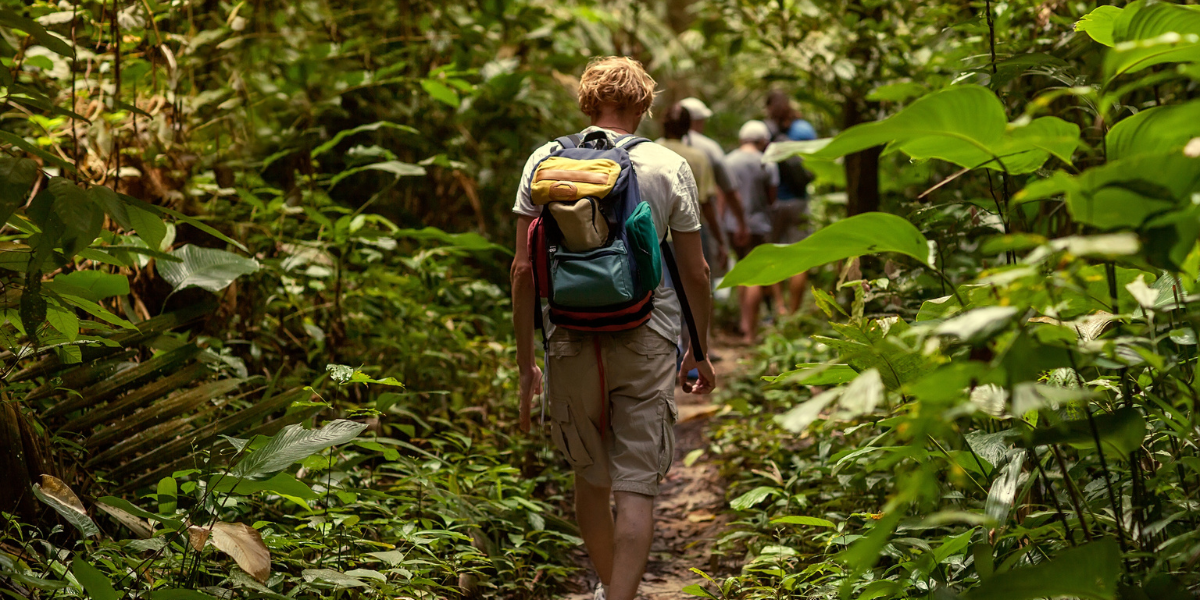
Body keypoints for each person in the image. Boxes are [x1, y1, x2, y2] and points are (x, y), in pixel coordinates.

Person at [510, 56, 717, 600]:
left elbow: (523, 271)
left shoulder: (544, 160)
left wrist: (525, 362)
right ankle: (620, 595)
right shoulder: (668, 165)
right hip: (646, 334)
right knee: (635, 487)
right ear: (645, 107)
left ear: (587, 101)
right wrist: (699, 350)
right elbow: (696, 271)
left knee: (590, 476)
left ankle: (608, 588)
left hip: (570, 337)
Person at [678, 97, 749, 275]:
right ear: (698, 121)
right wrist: (741, 222)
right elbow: (729, 190)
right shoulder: (709, 148)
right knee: (701, 278)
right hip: (701, 226)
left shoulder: (659, 145)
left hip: (665, 228)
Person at [724, 120, 778, 344]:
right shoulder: (767, 162)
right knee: (754, 275)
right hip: (758, 224)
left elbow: (723, 194)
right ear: (762, 141)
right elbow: (772, 197)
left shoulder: (728, 161)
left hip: (731, 225)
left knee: (740, 271)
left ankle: (744, 323)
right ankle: (751, 332)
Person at [765, 90, 815, 315]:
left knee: (774, 254)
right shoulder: (803, 129)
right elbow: (815, 163)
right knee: (799, 257)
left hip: (775, 203)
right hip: (799, 201)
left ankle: (779, 306)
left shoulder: (766, 130)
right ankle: (794, 313)